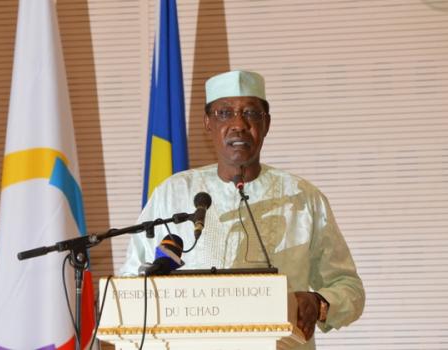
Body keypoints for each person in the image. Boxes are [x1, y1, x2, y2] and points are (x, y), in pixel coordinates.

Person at [121, 70, 365, 349]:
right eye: (224, 113)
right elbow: (131, 280)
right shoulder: (173, 194)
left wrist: (319, 303)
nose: (238, 124)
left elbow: (349, 287)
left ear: (267, 123)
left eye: (250, 113)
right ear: (207, 123)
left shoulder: (303, 199)